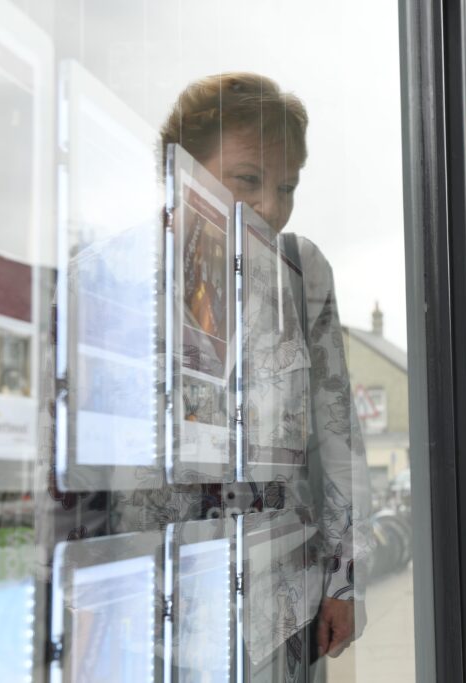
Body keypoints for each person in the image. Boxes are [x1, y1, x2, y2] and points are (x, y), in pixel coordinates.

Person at [155, 72, 370, 674]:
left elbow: (339, 439)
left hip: (285, 606)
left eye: (287, 186)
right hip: (159, 607)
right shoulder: (120, 277)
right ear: (183, 169)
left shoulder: (302, 274)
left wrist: (344, 581)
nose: (273, 206)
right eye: (248, 179)